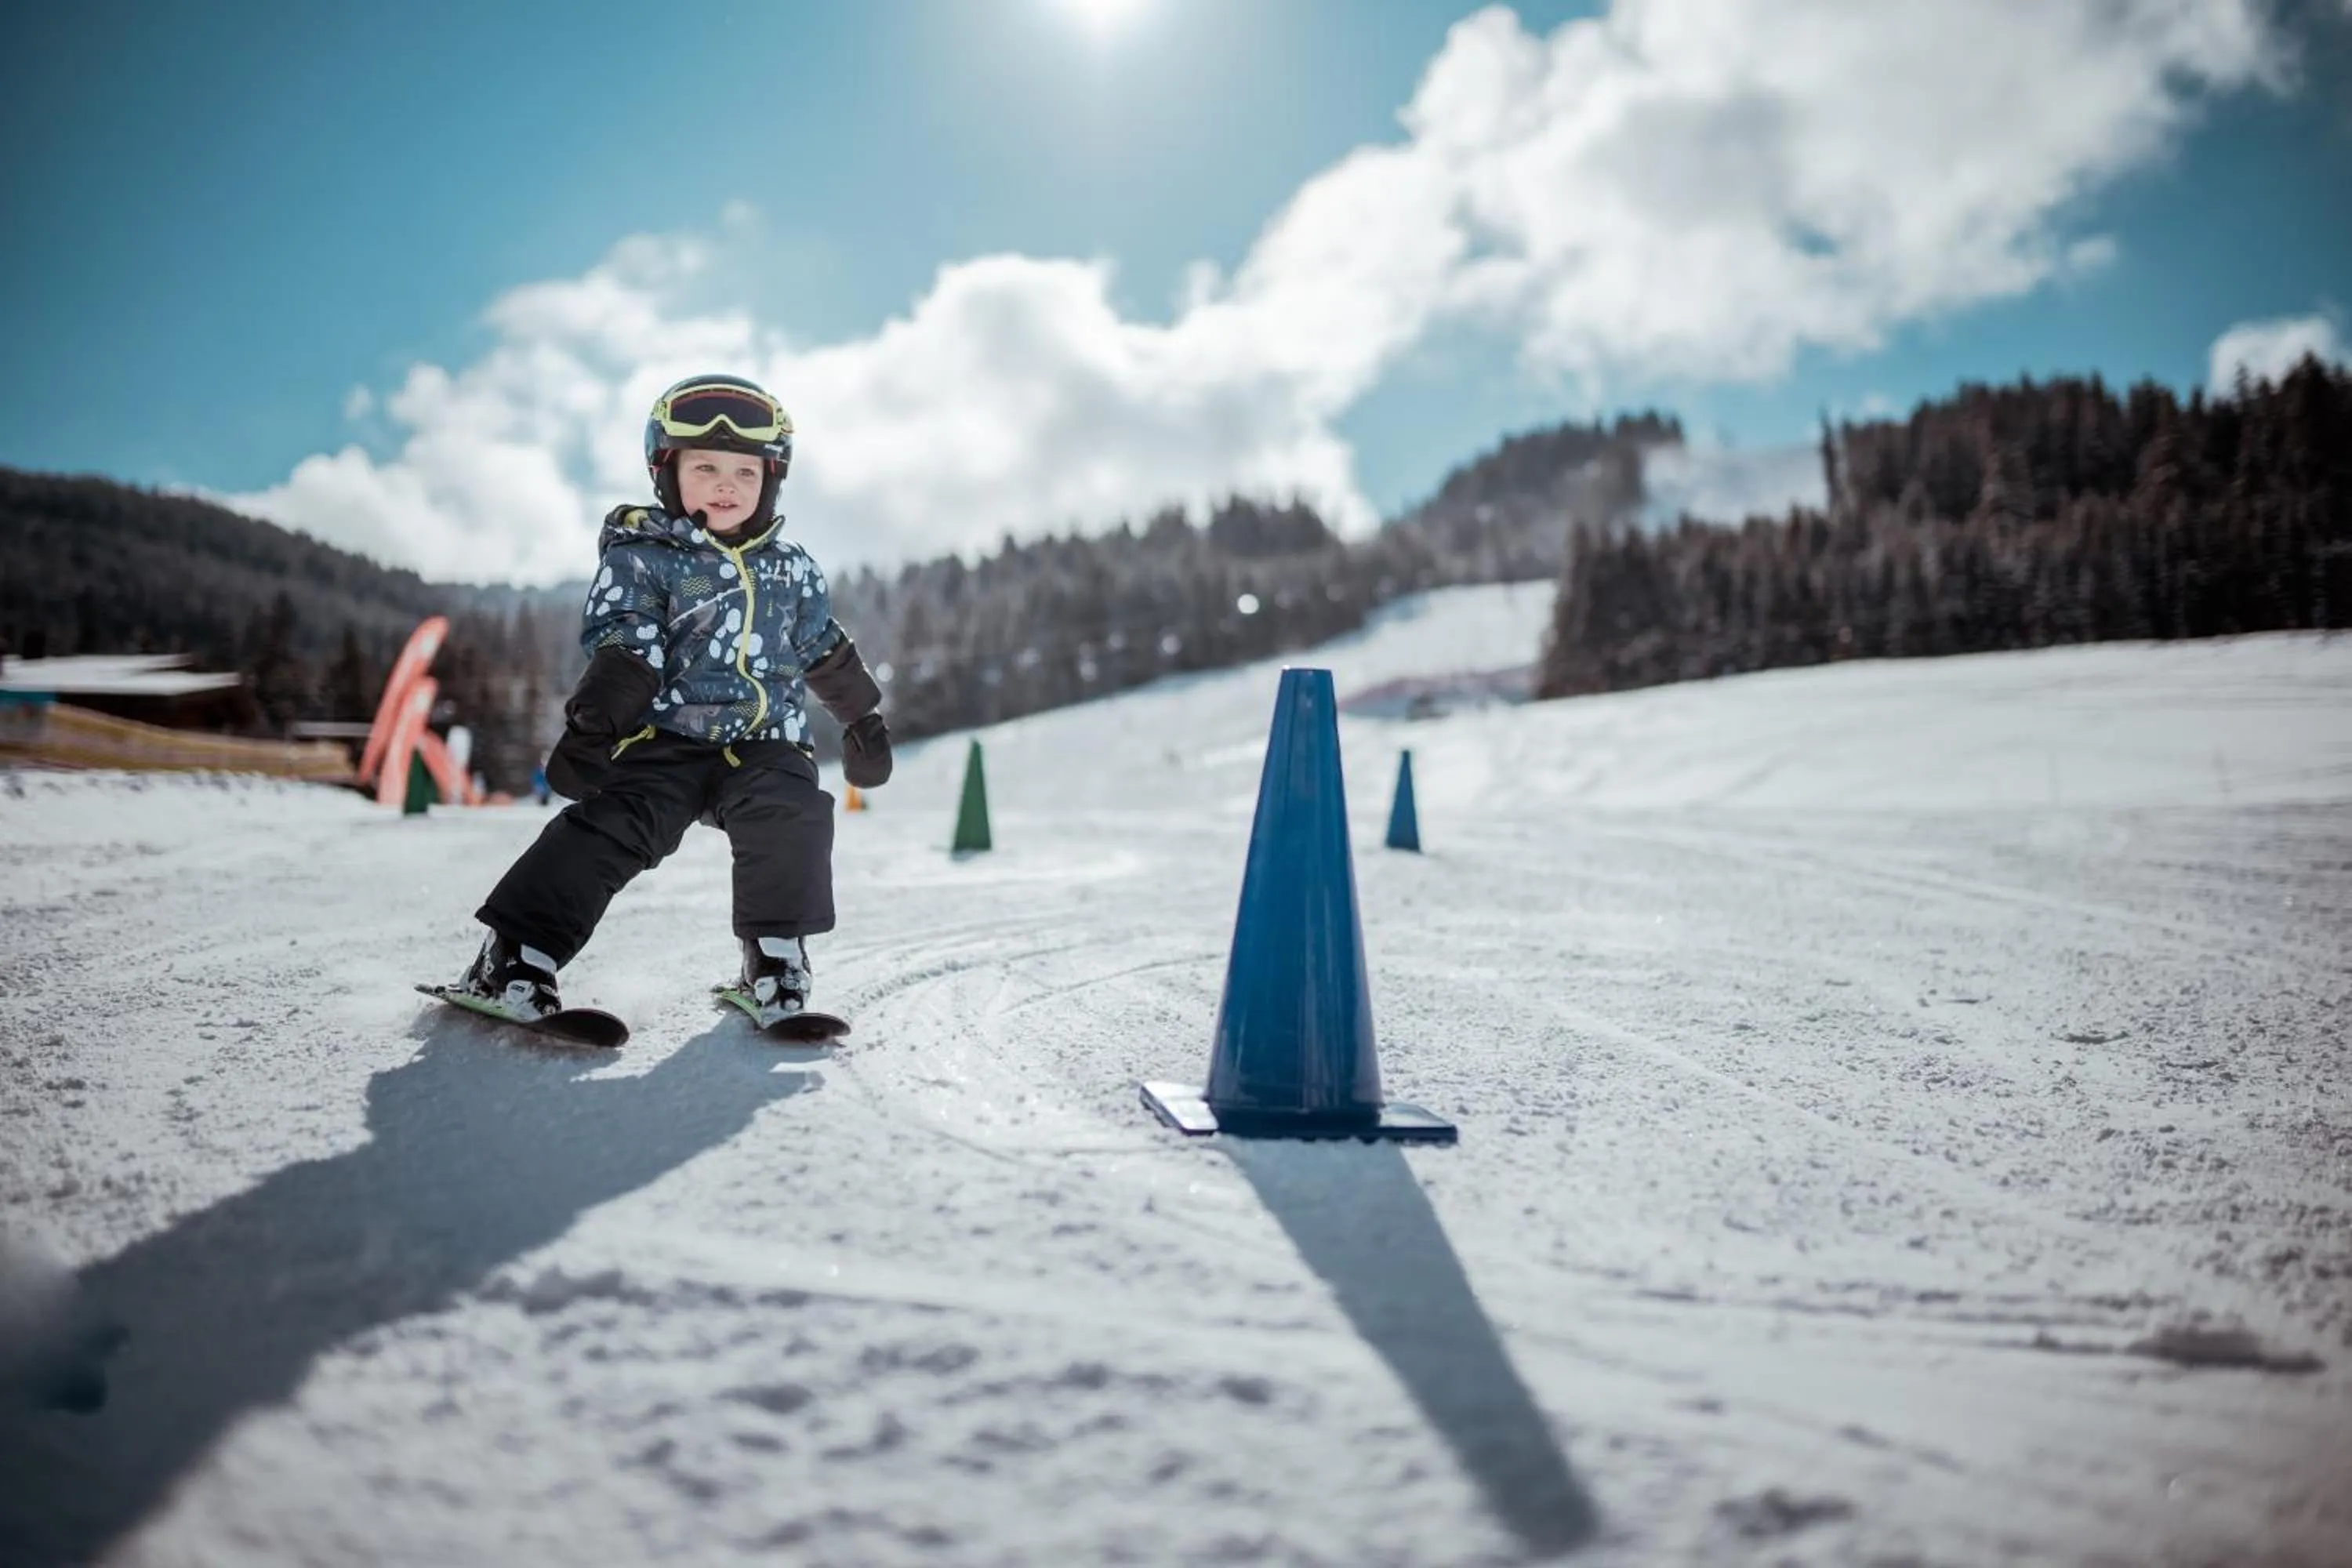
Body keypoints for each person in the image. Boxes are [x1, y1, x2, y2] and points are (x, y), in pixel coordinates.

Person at [447, 373, 892, 1025]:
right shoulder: (644, 556)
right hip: (664, 737)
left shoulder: (791, 567)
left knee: (791, 811)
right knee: (615, 823)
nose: (726, 484)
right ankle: (513, 958)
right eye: (705, 466)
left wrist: (863, 720)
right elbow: (630, 645)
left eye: (746, 471)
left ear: (771, 480)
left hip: (765, 740)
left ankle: (773, 962)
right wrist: (595, 729)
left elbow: (822, 646)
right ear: (667, 472)